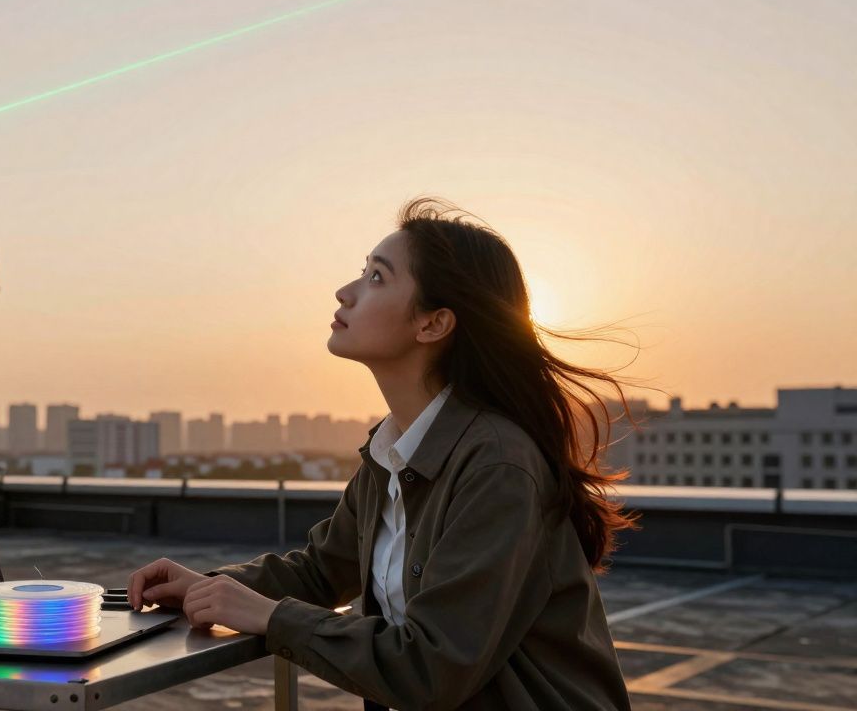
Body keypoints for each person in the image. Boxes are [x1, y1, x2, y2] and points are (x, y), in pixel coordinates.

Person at [128, 197, 641, 710]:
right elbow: (322, 571)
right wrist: (210, 588)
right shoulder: (394, 450)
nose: (345, 292)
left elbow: (431, 668)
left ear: (433, 324)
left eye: (376, 277)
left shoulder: (496, 465)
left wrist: (269, 616)